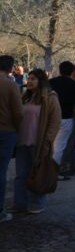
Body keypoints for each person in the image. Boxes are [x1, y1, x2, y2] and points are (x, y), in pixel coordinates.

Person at [11, 69, 60, 216]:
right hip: (22, 143)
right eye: (29, 78)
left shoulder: (50, 98)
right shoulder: (25, 96)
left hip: (38, 144)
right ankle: (20, 204)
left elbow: (54, 122)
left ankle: (37, 204)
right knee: (21, 175)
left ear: (41, 81)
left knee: (39, 174)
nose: (29, 81)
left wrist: (47, 141)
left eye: (33, 79)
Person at [49, 61, 75, 177]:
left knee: (50, 145)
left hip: (51, 117)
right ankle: (54, 171)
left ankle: (48, 169)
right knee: (60, 146)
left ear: (60, 70)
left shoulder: (51, 82)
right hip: (66, 118)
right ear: (71, 72)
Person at [1, 55, 24, 222]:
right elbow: (17, 112)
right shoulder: (11, 85)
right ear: (11, 68)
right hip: (6, 130)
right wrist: (19, 129)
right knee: (1, 171)